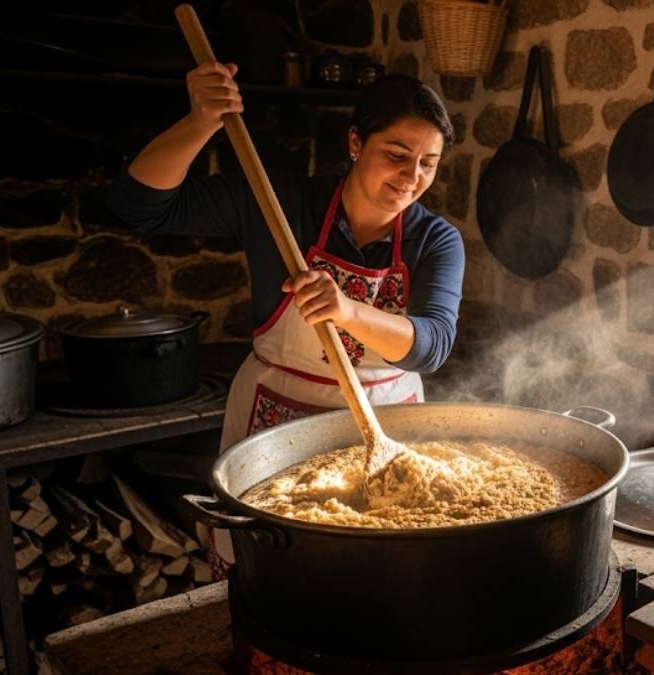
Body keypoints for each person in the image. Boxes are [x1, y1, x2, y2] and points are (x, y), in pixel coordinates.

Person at [107, 62, 465, 574]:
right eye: (397, 155)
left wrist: (347, 310)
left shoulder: (437, 240)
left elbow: (431, 345)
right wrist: (201, 121)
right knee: (270, 572)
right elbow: (138, 205)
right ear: (356, 143)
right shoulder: (279, 204)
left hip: (387, 431)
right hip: (273, 427)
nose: (412, 178)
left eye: (428, 164)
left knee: (378, 573)